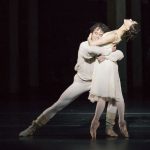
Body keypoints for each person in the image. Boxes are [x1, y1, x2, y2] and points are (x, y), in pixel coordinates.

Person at [19, 23, 124, 137]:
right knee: (59, 104)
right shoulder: (84, 45)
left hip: (97, 81)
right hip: (82, 81)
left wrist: (109, 53)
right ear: (91, 34)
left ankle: (109, 128)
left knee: (113, 99)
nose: (98, 36)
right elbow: (92, 51)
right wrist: (108, 51)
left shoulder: (105, 47)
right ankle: (33, 127)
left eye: (101, 34)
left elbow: (119, 54)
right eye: (95, 33)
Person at [88, 19, 139, 139]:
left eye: (131, 22)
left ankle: (99, 124)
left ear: (128, 27)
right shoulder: (117, 32)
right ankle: (116, 124)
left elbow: (92, 45)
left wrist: (90, 36)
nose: (130, 19)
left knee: (109, 97)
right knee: (112, 97)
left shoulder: (114, 35)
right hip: (107, 65)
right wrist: (107, 53)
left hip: (107, 66)